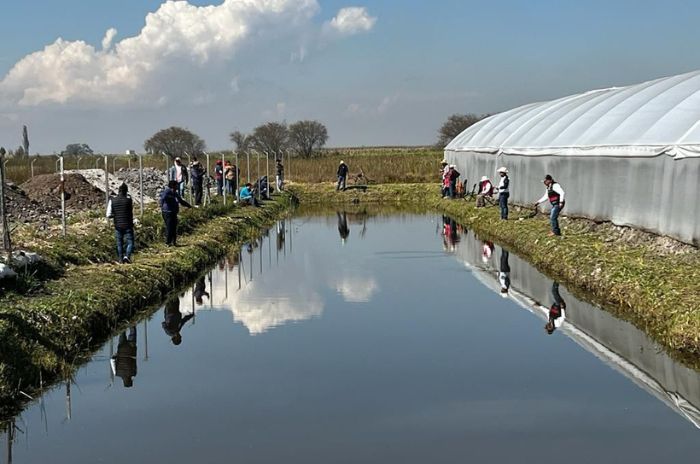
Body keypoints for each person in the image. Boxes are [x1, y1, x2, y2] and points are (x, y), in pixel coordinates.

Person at [106, 183, 135, 264]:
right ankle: (127, 256)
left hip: (118, 225)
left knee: (119, 243)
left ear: (118, 191)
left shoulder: (112, 200)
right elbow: (130, 213)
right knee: (130, 242)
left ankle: (120, 259)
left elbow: (108, 214)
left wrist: (115, 215)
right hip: (128, 225)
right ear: (126, 191)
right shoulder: (129, 200)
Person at [159, 180, 192, 246]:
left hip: (173, 212)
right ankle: (168, 242)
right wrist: (162, 206)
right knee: (169, 227)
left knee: (174, 227)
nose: (178, 186)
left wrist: (189, 206)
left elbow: (181, 201)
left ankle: (174, 242)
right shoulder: (167, 191)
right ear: (173, 186)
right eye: (176, 185)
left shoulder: (175, 193)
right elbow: (163, 198)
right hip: (167, 212)